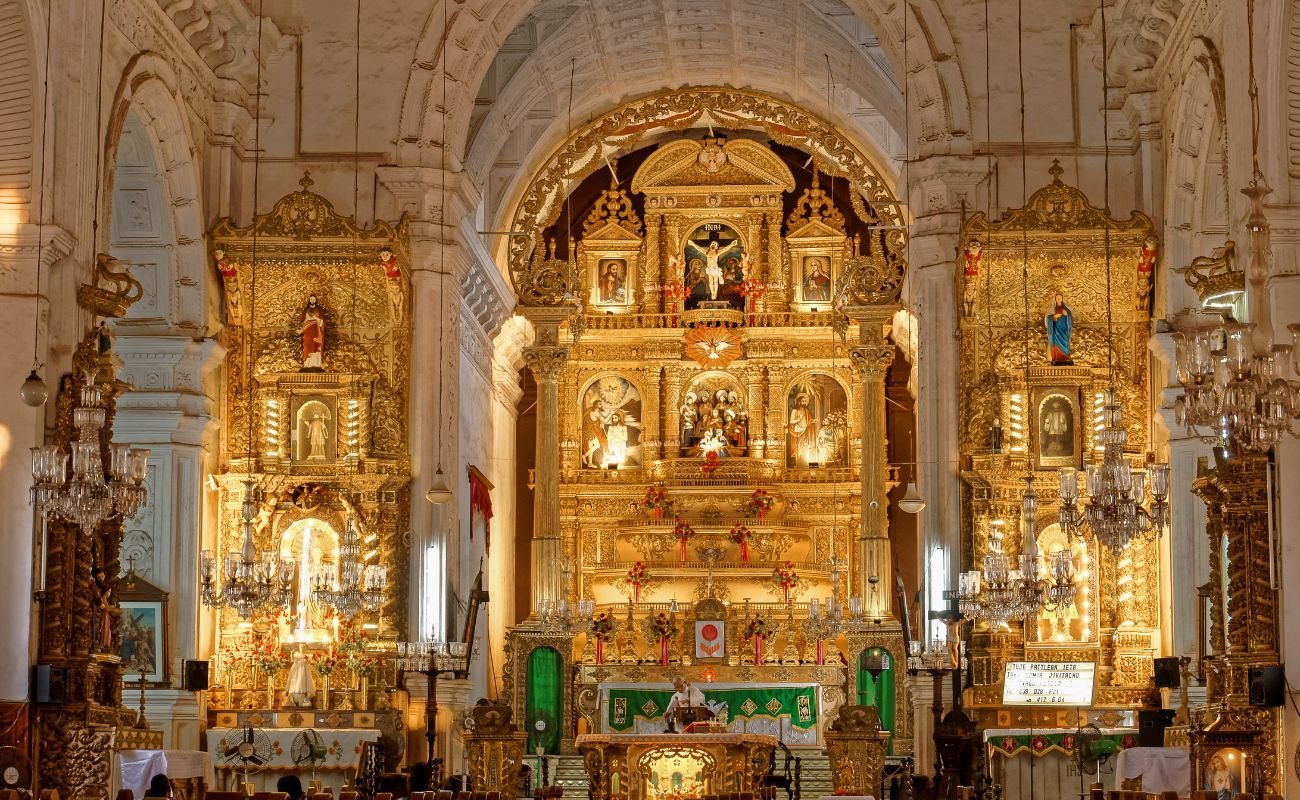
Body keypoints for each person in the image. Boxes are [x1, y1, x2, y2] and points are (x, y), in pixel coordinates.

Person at [1044, 291, 1073, 365]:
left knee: (1066, 344)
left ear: (1062, 299)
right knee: (1055, 344)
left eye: (1060, 297)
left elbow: (1070, 317)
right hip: (1056, 330)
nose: (1059, 299)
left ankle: (1065, 357)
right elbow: (1047, 318)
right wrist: (1053, 317)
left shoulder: (1066, 309)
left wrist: (1066, 314)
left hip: (1064, 330)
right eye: (1057, 298)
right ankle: (1056, 358)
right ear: (1055, 299)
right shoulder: (1052, 309)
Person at [301, 295, 326, 370]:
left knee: (316, 345)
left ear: (315, 300)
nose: (312, 300)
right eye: (311, 299)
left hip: (316, 330)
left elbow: (322, 321)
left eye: (313, 299)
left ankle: (316, 363)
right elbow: (303, 321)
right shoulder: (306, 310)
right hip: (308, 331)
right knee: (307, 345)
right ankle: (307, 364)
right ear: (309, 300)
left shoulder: (319, 310)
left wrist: (315, 318)